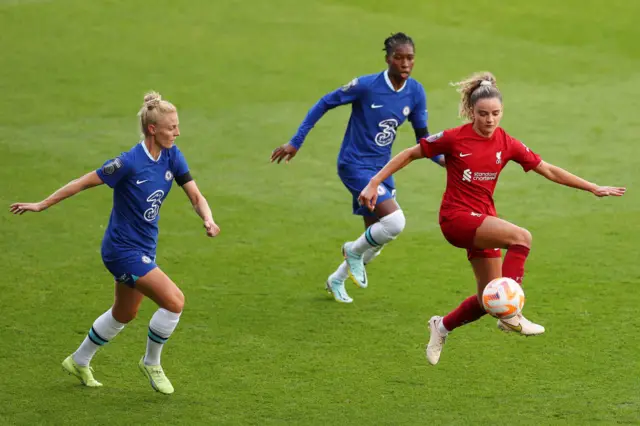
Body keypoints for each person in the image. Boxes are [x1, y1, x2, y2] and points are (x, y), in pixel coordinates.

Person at [358, 72, 625, 365]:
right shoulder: (454, 138)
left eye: (496, 114)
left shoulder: (506, 142)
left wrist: (592, 187)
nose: (489, 120)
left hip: (483, 220)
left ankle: (442, 326)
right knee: (522, 238)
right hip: (455, 219)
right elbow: (410, 154)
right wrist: (374, 182)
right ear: (471, 112)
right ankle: (512, 314)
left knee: (489, 298)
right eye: (483, 114)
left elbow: (547, 169)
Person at [9, 91, 221, 393]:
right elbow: (83, 182)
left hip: (145, 247)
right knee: (174, 302)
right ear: (152, 129)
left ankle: (78, 361)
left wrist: (208, 218)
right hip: (122, 251)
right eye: (171, 127)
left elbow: (196, 196)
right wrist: (42, 204)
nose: (177, 132)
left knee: (125, 313)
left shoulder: (173, 155)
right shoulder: (128, 163)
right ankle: (151, 362)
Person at [271, 32, 443, 303]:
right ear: (388, 59)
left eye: (410, 58)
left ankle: (336, 279)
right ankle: (351, 252)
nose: (406, 63)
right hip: (354, 166)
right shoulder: (367, 86)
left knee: (375, 243)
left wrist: (444, 160)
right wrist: (296, 141)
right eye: (399, 58)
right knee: (395, 222)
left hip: (381, 170)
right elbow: (324, 102)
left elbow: (423, 138)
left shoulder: (415, 92)